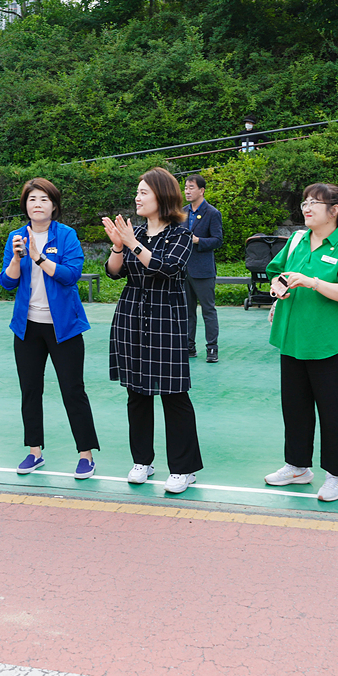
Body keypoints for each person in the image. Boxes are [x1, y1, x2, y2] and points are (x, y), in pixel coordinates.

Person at [263, 183, 338, 502]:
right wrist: (277, 287)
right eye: (305, 202)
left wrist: (313, 282)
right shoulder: (297, 240)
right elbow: (277, 273)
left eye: (315, 203)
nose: (306, 208)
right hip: (293, 338)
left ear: (334, 211)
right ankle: (297, 466)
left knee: (332, 412)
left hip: (328, 343)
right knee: (294, 409)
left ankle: (337, 475)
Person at [103, 167, 202, 494]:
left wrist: (132, 243)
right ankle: (142, 460)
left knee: (174, 395)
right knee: (137, 393)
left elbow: (166, 266)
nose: (137, 197)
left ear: (162, 196)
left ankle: (184, 469)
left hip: (166, 319)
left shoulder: (181, 235)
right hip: (131, 316)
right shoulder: (137, 234)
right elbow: (114, 273)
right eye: (137, 191)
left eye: (144, 192)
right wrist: (119, 246)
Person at [1, 178, 99, 479]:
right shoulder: (16, 237)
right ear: (25, 206)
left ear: (54, 205)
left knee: (73, 390)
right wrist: (18, 258)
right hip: (27, 327)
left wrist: (39, 257)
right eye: (32, 200)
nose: (37, 204)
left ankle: (86, 455)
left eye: (44, 199)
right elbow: (8, 282)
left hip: (63, 328)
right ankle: (34, 452)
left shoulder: (66, 235)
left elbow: (71, 275)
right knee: (30, 390)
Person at [181, 174, 223, 362]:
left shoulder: (212, 213)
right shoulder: (182, 212)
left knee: (208, 310)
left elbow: (218, 240)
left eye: (191, 187)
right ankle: (189, 346)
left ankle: (211, 348)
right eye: (186, 188)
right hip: (183, 269)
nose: (187, 191)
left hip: (203, 270)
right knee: (187, 310)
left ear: (201, 190)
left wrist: (198, 241)